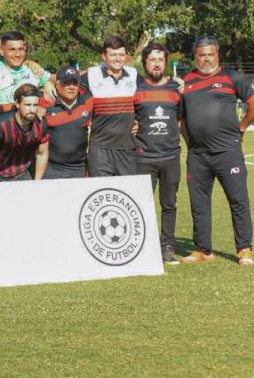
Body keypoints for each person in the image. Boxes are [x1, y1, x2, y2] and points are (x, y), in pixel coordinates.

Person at [179, 37, 254, 266]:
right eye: (201, 54)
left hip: (228, 152)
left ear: (218, 55)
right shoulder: (186, 81)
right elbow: (182, 120)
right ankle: (202, 250)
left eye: (210, 54)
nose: (206, 58)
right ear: (195, 56)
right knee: (198, 203)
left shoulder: (231, 77)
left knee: (238, 201)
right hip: (198, 155)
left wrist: (243, 127)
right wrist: (191, 143)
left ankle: (244, 249)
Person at [134, 43, 183, 265]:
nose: (156, 64)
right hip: (143, 157)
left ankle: (167, 246)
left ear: (165, 62)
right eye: (152, 60)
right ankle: (142, 246)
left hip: (170, 156)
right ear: (145, 62)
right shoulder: (134, 88)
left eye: (160, 60)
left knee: (169, 204)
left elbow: (181, 120)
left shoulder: (175, 90)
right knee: (141, 204)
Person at [79, 36, 138, 176]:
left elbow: (148, 96)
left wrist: (139, 120)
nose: (118, 59)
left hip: (127, 149)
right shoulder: (91, 75)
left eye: (121, 55)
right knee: (102, 194)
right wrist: (49, 82)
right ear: (104, 56)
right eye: (113, 55)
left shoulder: (134, 75)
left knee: (126, 195)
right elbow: (65, 84)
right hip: (100, 151)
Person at [0, 84, 49, 182]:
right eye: (28, 105)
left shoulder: (41, 124)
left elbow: (42, 153)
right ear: (17, 104)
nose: (32, 110)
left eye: (35, 105)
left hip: (23, 174)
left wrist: (37, 182)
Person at [0, 31, 54, 112]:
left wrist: (48, 82)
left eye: (20, 49)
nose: (17, 54)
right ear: (2, 51)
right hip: (0, 120)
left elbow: (60, 79)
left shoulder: (32, 70)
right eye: (12, 49)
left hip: (27, 121)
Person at [43, 66, 93, 179]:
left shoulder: (89, 100)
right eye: (66, 83)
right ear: (57, 84)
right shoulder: (45, 102)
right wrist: (45, 83)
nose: (71, 87)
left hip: (79, 168)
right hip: (51, 168)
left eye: (75, 83)